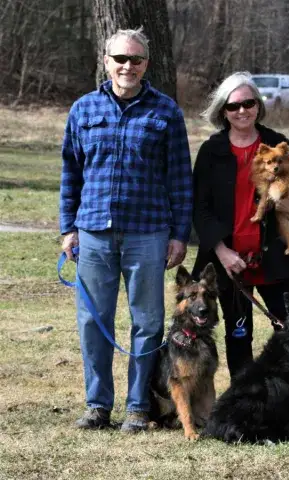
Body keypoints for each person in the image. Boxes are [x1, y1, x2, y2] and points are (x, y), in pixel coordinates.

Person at [59, 28, 193, 432]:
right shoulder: (83, 109)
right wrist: (68, 228)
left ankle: (138, 407)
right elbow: (71, 173)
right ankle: (97, 405)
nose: (127, 66)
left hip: (148, 234)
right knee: (92, 321)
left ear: (146, 64)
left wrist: (179, 234)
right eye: (120, 58)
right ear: (107, 61)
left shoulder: (166, 112)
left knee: (148, 323)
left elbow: (180, 179)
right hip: (93, 232)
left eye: (135, 59)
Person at [192, 72, 289, 378]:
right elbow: (199, 207)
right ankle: (244, 401)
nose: (242, 111)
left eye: (248, 103)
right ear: (223, 111)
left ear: (258, 106)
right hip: (230, 264)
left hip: (274, 259)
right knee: (238, 336)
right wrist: (221, 252)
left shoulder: (276, 144)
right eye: (233, 105)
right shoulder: (211, 150)